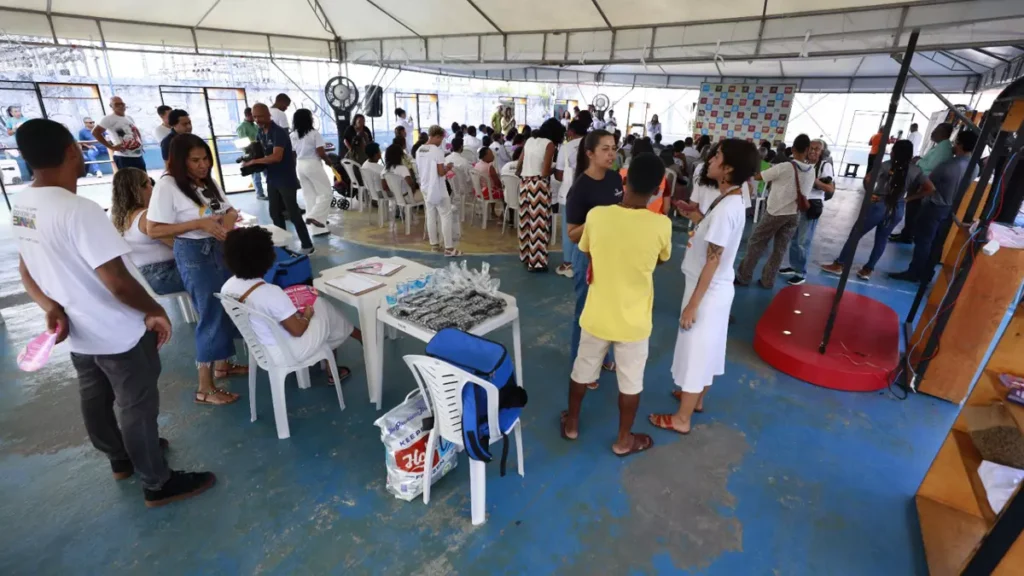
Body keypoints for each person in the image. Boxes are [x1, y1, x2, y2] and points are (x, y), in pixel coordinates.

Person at [12, 118, 215, 506]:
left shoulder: (24, 203)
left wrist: (50, 306)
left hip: (77, 329)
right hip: (115, 328)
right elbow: (117, 280)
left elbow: (26, 268)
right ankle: (157, 482)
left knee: (95, 394)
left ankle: (120, 458)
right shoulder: (79, 210)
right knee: (136, 403)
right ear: (72, 150)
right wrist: (153, 309)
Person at [560, 152, 671, 457]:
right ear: (657, 190)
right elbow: (660, 261)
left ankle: (571, 424)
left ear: (625, 179)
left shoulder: (597, 216)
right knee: (631, 381)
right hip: (634, 321)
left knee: (582, 371)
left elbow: (586, 250)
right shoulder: (661, 225)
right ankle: (624, 439)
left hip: (596, 314)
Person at [650, 139, 759, 436]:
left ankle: (681, 418)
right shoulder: (729, 199)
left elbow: (713, 260)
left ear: (728, 169)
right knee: (708, 348)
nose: (710, 159)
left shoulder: (727, 207)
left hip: (707, 289)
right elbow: (714, 233)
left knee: (695, 349)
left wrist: (693, 304)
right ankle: (695, 399)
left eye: (718, 156)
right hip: (715, 289)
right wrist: (696, 217)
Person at [148, 134, 247, 406]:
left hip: (218, 248)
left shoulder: (206, 181)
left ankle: (223, 365)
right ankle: (205, 387)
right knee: (209, 312)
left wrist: (225, 223)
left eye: (205, 159)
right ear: (181, 161)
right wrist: (198, 224)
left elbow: (229, 209)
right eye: (195, 160)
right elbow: (153, 228)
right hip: (195, 255)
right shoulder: (167, 186)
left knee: (227, 304)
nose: (202, 165)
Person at [222, 226, 362, 377]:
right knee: (322, 306)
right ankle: (345, 352)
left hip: (261, 348)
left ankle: (346, 349)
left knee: (325, 313)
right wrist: (307, 315)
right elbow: (298, 330)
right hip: (287, 353)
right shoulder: (270, 292)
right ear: (267, 257)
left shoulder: (228, 287)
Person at [820, 140, 934, 281]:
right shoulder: (916, 170)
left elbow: (868, 179)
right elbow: (930, 188)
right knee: (882, 239)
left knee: (856, 233)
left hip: (879, 204)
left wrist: (870, 193)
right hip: (897, 208)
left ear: (894, 152)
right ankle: (867, 270)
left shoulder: (886, 165)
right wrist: (908, 199)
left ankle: (840, 264)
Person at [564, 129, 619, 374]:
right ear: (590, 153)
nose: (611, 154)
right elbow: (572, 233)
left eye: (614, 148)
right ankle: (582, 363)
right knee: (585, 311)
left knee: (607, 307)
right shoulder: (580, 188)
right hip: (587, 256)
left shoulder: (616, 179)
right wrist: (597, 219)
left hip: (612, 254)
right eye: (605, 149)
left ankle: (603, 354)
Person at [890, 130, 978, 283]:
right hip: (952, 209)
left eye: (956, 142)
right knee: (938, 242)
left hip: (935, 206)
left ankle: (914, 272)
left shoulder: (948, 165)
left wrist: (909, 197)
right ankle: (927, 272)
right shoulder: (975, 167)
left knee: (923, 241)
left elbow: (929, 185)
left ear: (960, 144)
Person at [735, 134, 816, 288]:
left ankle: (744, 276)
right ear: (807, 149)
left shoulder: (785, 167)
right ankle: (767, 281)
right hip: (794, 214)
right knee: (780, 249)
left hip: (775, 212)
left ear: (792, 149)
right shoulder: (811, 171)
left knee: (756, 242)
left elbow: (760, 177)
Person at [246, 103, 313, 254]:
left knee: (293, 213)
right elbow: (260, 153)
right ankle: (283, 246)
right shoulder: (260, 132)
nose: (257, 119)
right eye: (255, 116)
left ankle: (307, 245)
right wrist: (250, 159)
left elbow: (277, 157)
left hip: (285, 179)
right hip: (271, 178)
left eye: (261, 116)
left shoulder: (279, 133)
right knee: (275, 213)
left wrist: (255, 162)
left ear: (268, 115)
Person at [109, 168, 184, 295]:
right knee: (212, 271)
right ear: (140, 189)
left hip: (140, 276)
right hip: (164, 274)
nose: (152, 188)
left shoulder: (114, 216)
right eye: (149, 183)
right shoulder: (146, 217)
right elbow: (179, 245)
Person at [778, 139, 835, 285]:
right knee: (795, 238)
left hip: (811, 205)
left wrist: (813, 180)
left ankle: (801, 272)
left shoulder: (824, 165)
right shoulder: (802, 162)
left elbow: (830, 189)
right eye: (811, 148)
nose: (813, 151)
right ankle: (793, 265)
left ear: (822, 151)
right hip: (797, 204)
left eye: (817, 149)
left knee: (804, 241)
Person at [890, 122, 954, 244]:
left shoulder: (943, 149)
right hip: (921, 179)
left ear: (943, 133)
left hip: (924, 181)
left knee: (913, 209)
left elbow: (931, 166)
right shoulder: (939, 146)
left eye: (936, 130)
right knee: (911, 210)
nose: (932, 132)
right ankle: (906, 233)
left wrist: (918, 161)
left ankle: (908, 235)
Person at [517, 118, 565, 272]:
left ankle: (525, 256)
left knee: (525, 222)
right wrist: (554, 168)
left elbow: (518, 166)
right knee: (539, 223)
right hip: (538, 185)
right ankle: (537, 262)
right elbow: (544, 172)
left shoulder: (530, 140)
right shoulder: (549, 145)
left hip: (524, 184)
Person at [416, 125, 461, 257]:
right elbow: (441, 173)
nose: (442, 141)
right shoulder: (436, 151)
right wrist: (448, 167)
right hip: (437, 188)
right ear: (436, 136)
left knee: (430, 215)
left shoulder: (419, 149)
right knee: (445, 215)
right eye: (441, 138)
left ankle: (434, 245)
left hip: (424, 186)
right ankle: (449, 248)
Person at [291, 108, 333, 236]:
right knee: (326, 193)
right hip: (313, 164)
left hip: (300, 165)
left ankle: (317, 229)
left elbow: (293, 153)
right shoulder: (314, 133)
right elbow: (321, 152)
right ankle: (314, 216)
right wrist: (328, 161)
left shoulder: (292, 135)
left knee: (310, 196)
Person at [553, 119, 587, 278]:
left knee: (569, 230)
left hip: (569, 193)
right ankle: (585, 262)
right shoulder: (593, 145)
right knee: (587, 228)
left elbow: (559, 175)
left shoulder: (566, 148)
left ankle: (568, 264)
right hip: (590, 192)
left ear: (571, 132)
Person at [94, 96, 146, 171]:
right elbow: (95, 132)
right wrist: (111, 147)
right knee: (129, 182)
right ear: (111, 106)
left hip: (137, 155)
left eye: (122, 104)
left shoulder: (129, 117)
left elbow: (135, 131)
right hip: (123, 157)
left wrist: (140, 144)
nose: (121, 106)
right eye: (117, 104)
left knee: (143, 180)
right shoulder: (108, 119)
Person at [236, 107, 265, 200]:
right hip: (251, 153)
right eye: (253, 116)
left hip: (261, 151)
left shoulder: (255, 125)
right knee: (256, 174)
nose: (255, 118)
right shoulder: (241, 127)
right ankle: (260, 194)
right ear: (248, 115)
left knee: (265, 171)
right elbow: (243, 141)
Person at [475, 146, 505, 218]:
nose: (493, 156)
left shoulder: (477, 165)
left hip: (479, 191)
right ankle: (503, 215)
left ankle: (492, 211)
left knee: (491, 187)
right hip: (488, 193)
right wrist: (503, 188)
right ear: (485, 156)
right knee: (505, 193)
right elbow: (497, 182)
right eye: (491, 154)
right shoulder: (489, 167)